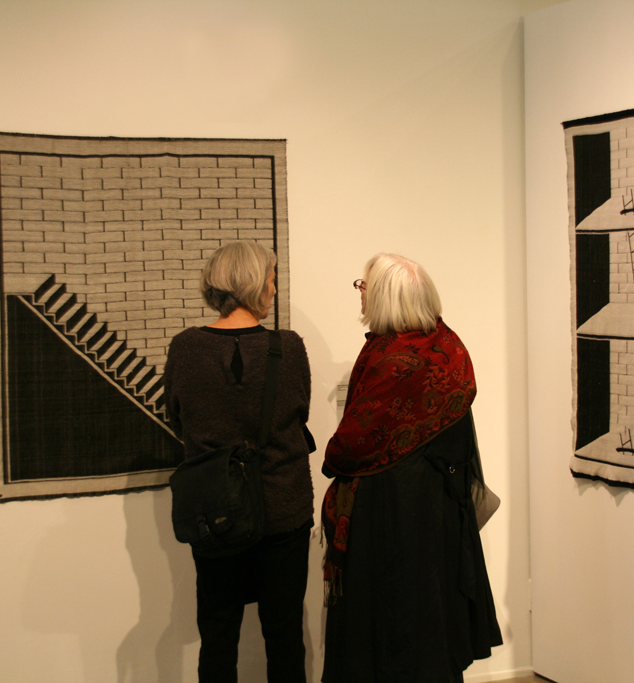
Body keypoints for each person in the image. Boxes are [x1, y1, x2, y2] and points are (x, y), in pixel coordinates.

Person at [321, 253, 502, 683]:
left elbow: (350, 446)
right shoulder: (449, 346)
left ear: (385, 296)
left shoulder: (392, 359)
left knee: (388, 624)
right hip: (437, 509)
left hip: (389, 513)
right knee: (429, 617)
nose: (360, 293)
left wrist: (332, 457)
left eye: (364, 286)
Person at [163, 241, 314, 683]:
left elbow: (177, 417)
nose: (274, 286)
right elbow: (299, 411)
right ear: (253, 284)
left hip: (216, 511)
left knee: (218, 631)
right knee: (284, 634)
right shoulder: (289, 347)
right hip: (283, 508)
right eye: (271, 276)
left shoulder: (186, 348)